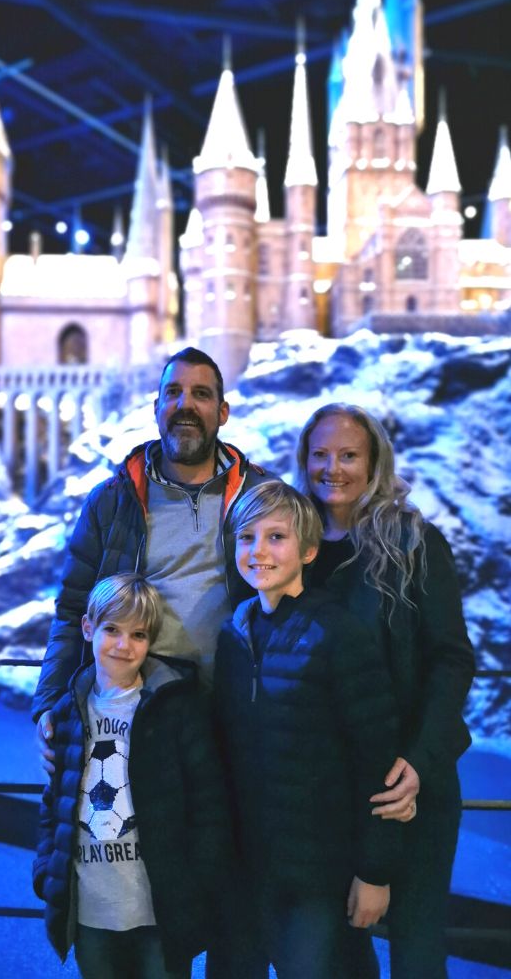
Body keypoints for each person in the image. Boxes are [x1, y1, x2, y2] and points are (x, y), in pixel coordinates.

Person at [295, 403, 475, 979]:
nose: (333, 468)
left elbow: (451, 661)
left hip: (411, 788)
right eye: (320, 455)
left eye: (349, 455)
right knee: (341, 955)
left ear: (373, 462)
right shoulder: (291, 549)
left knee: (417, 955)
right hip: (332, 796)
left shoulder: (416, 544)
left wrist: (420, 763)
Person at [32, 346, 272, 772]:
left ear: (223, 411)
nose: (186, 405)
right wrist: (49, 702)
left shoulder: (261, 496)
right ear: (156, 406)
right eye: (174, 392)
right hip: (138, 719)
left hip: (237, 717)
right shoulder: (112, 501)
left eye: (201, 394)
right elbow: (73, 610)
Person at [213, 480, 403, 979]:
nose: (258, 551)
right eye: (247, 537)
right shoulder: (233, 635)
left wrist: (374, 873)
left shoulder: (338, 636)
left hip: (320, 876)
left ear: (309, 550)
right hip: (246, 873)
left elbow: (378, 764)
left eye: (276, 537)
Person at [33, 572, 231, 979]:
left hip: (158, 911)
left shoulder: (175, 708)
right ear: (88, 629)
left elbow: (209, 805)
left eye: (138, 635)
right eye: (112, 630)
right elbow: (55, 802)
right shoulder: (70, 711)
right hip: (90, 910)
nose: (124, 645)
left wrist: (197, 882)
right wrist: (45, 871)